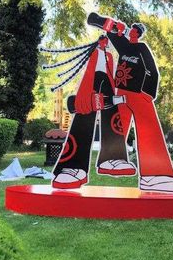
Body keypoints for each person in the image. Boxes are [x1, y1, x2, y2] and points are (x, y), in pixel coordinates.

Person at [87, 13, 173, 194]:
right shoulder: (124, 46)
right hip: (122, 92)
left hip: (139, 94)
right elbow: (112, 31)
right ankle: (110, 160)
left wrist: (148, 93)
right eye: (133, 29)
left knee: (149, 128)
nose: (133, 32)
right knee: (117, 125)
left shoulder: (141, 48)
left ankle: (155, 175)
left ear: (139, 35)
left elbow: (153, 71)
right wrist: (101, 21)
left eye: (137, 31)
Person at [51, 36, 136, 189]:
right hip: (90, 82)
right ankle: (74, 165)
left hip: (107, 80)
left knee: (111, 107)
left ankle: (113, 156)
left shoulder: (109, 57)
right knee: (86, 106)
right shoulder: (93, 54)